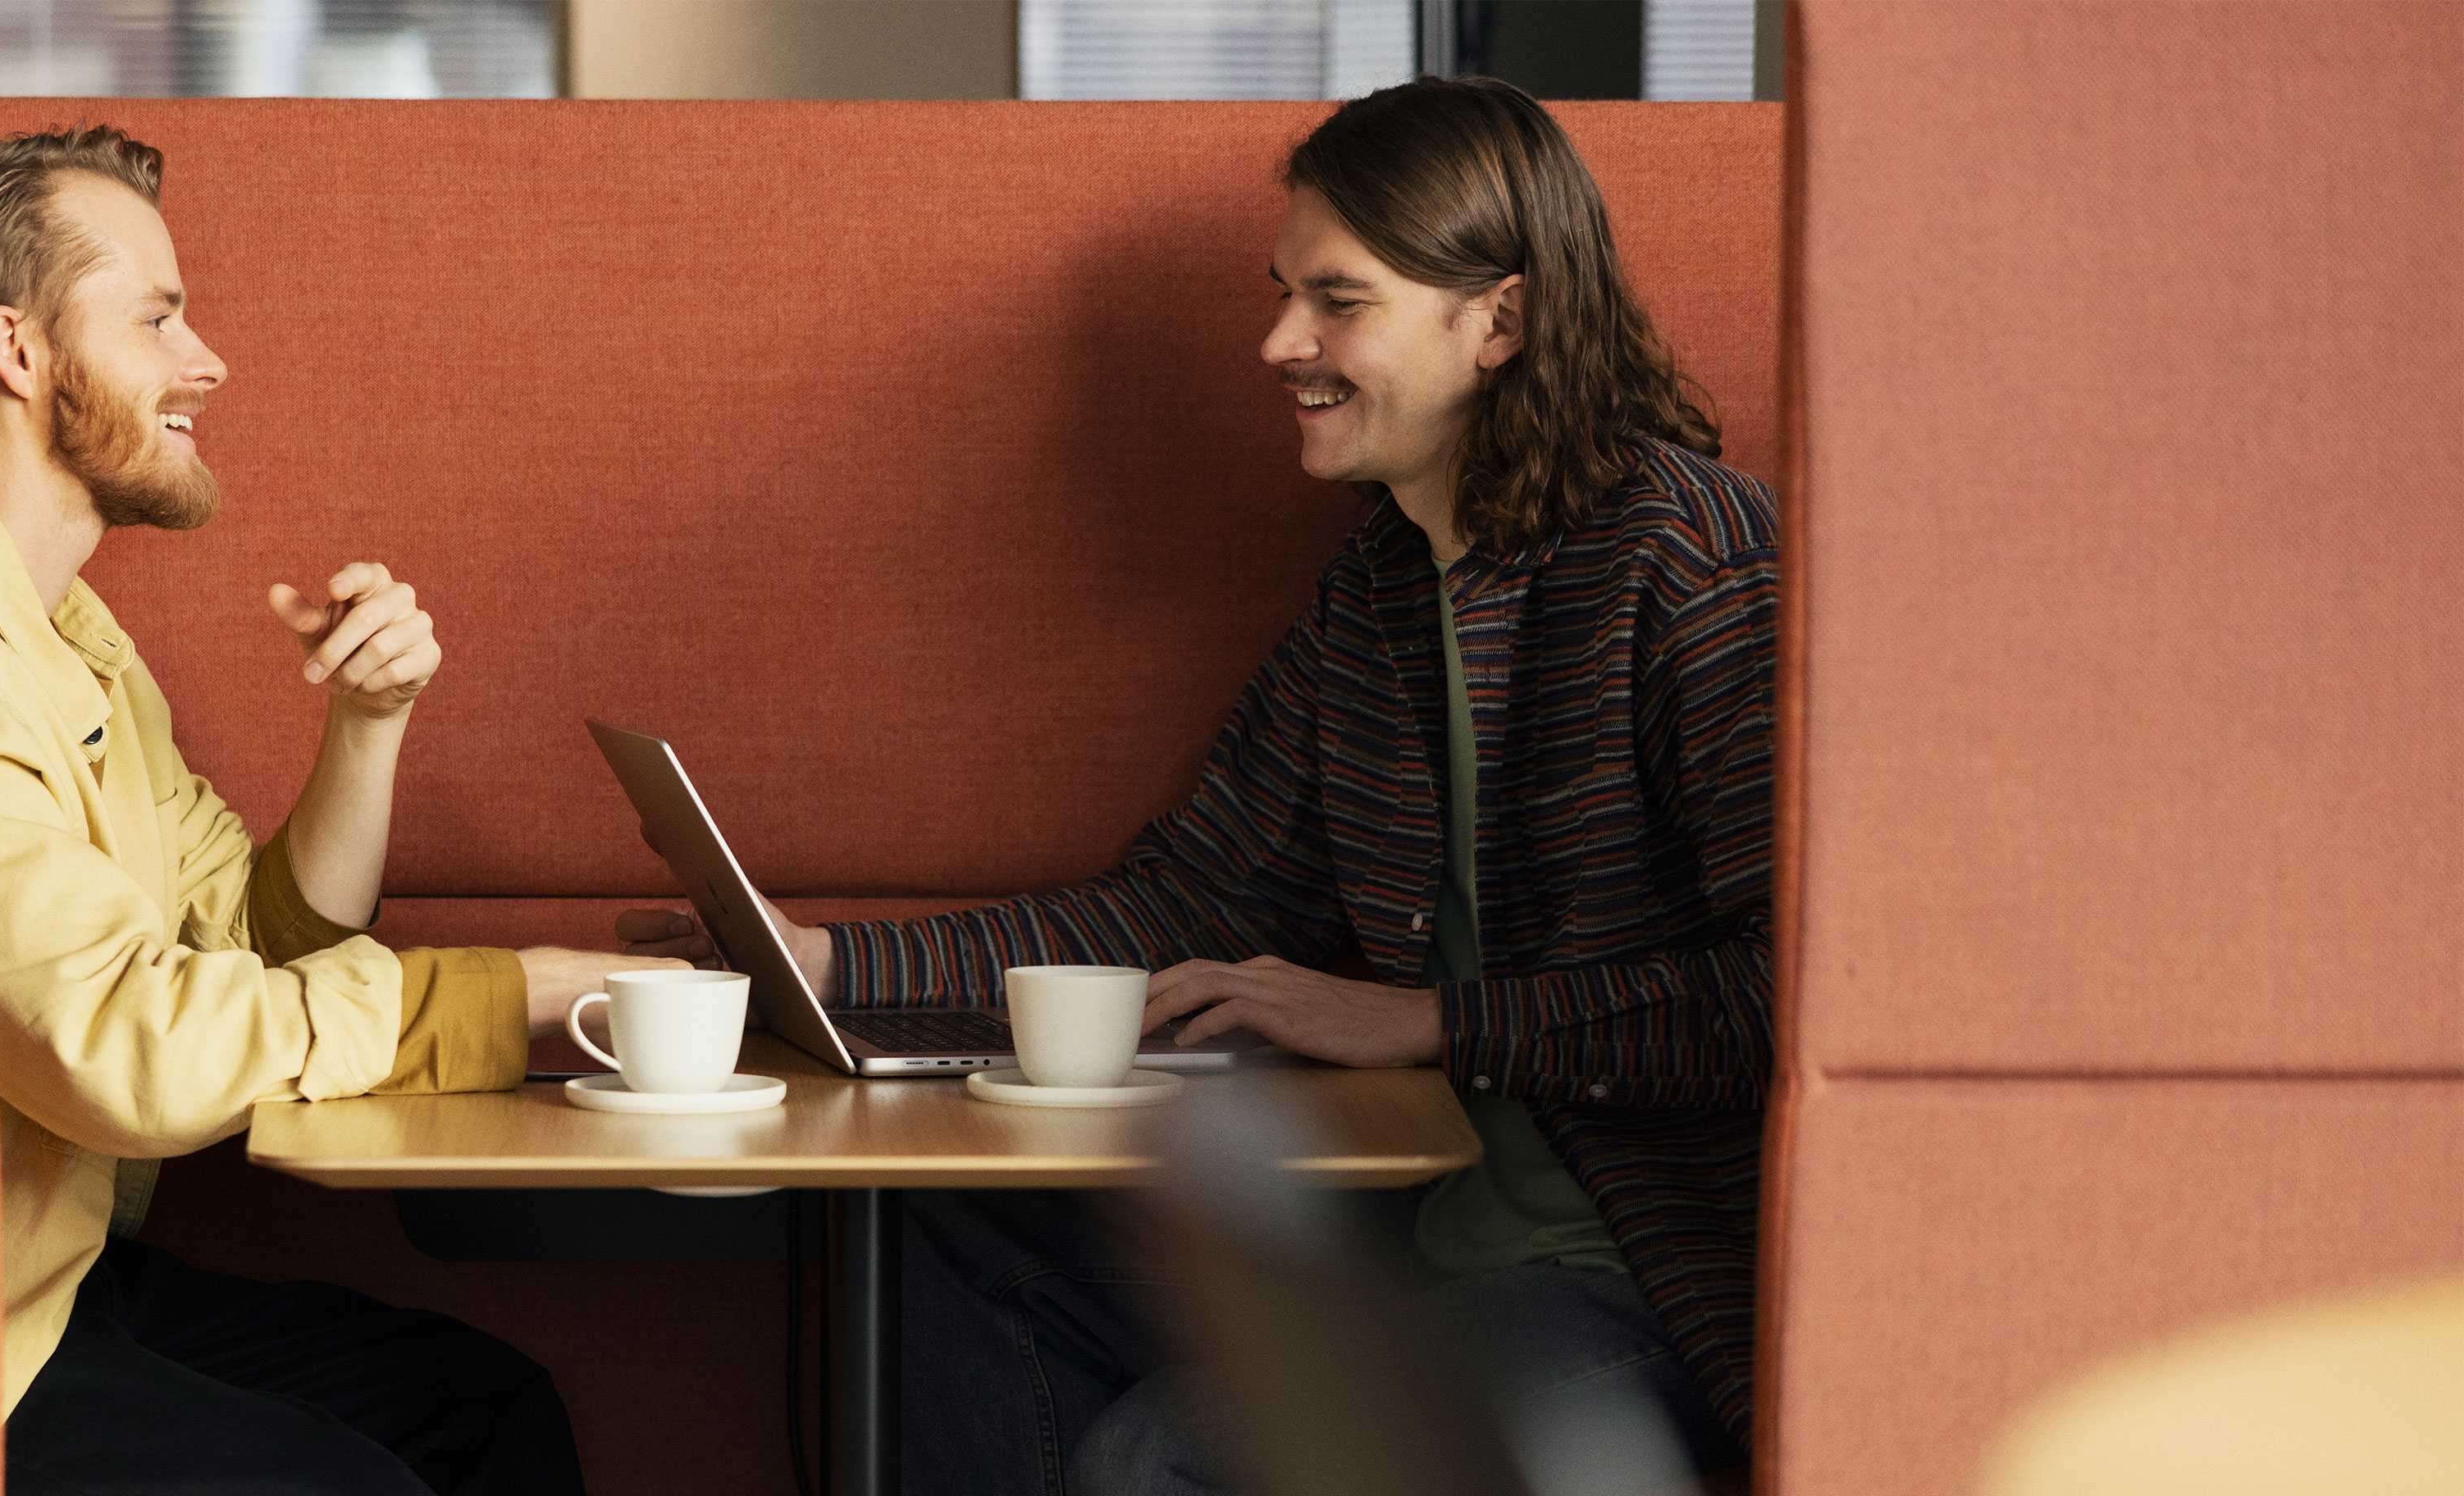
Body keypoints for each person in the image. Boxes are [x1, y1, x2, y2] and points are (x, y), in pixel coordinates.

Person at [621, 78, 1775, 1494]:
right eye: (1284, 293)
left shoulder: (1693, 568)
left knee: (1157, 1459)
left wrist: (1428, 1021)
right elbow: (1183, 900)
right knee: (953, 1225)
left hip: (1645, 1282)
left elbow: (1790, 995)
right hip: (1406, 1231)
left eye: (1337, 301)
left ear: (1502, 322)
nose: (1279, 342)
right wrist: (831, 961)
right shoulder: (1380, 594)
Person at [0, 124, 682, 1495]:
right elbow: (125, 1050)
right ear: (16, 349)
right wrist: (503, 995)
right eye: (159, 319)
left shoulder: (79, 648)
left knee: (486, 1413)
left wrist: (367, 726)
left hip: (63, 1283)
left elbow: (255, 942)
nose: (207, 362)